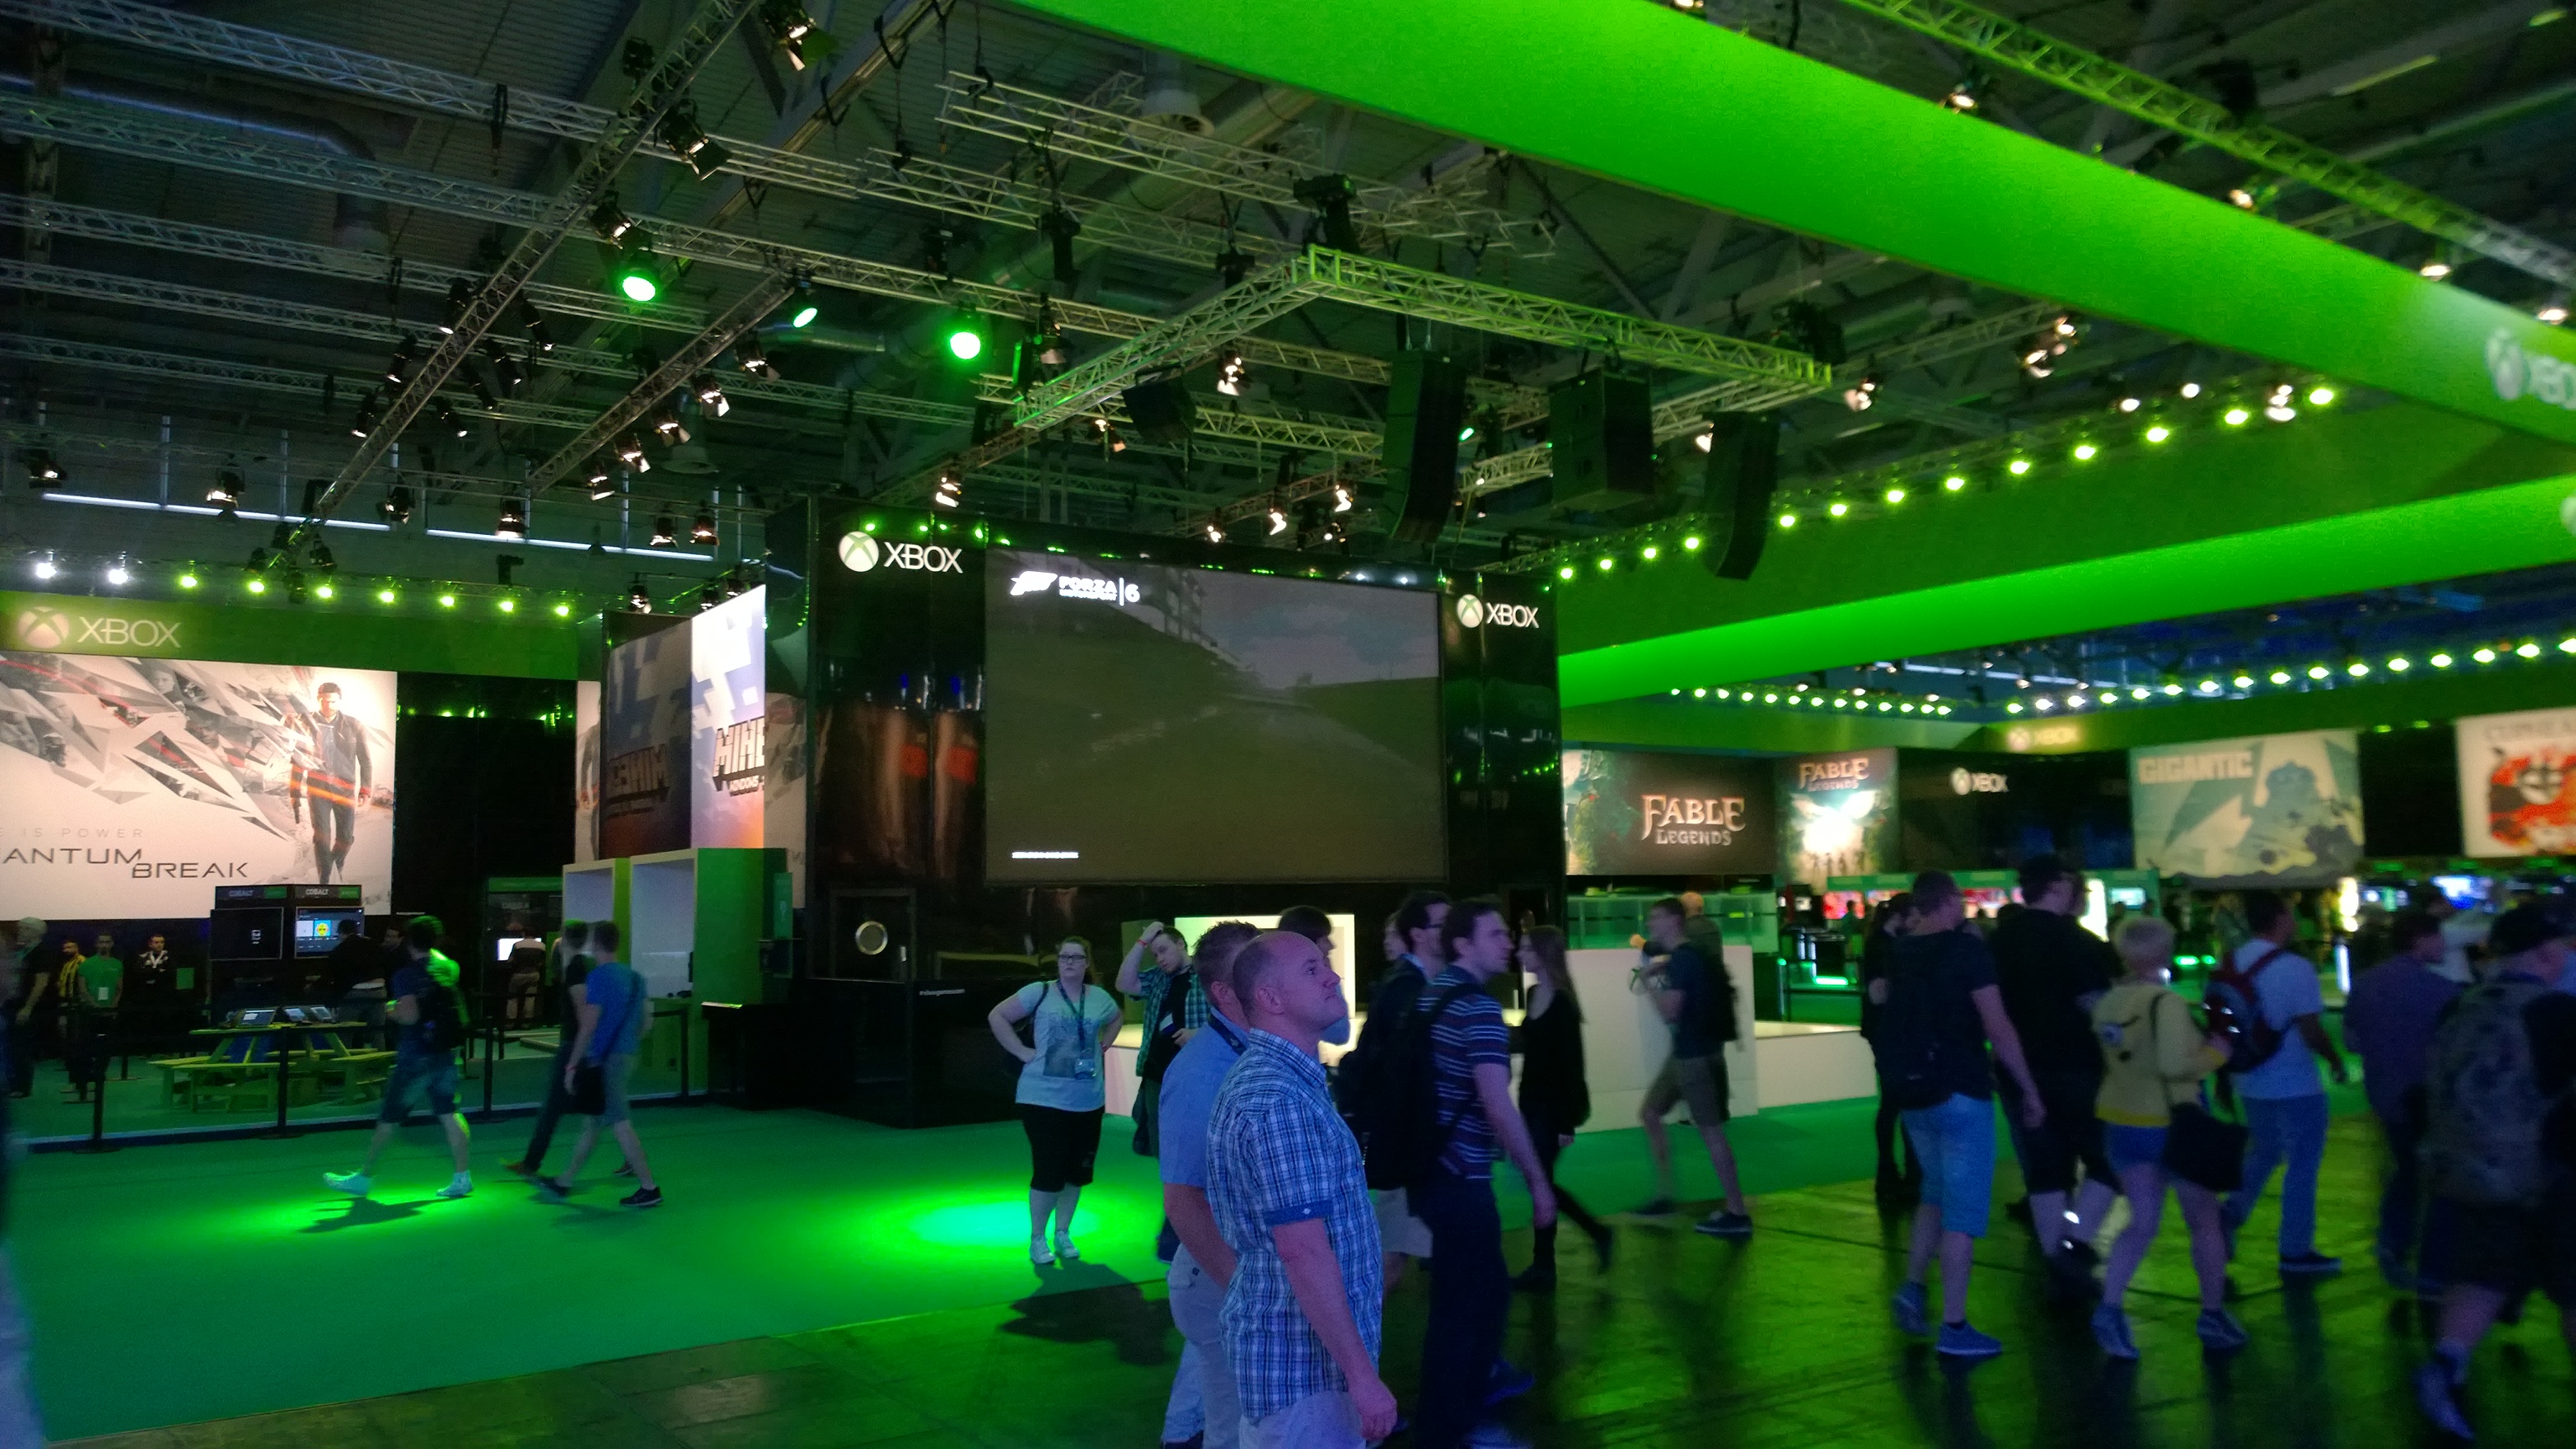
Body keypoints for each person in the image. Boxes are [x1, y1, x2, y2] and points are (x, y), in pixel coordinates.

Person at [1207, 930, 1394, 1449]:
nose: (1332, 977)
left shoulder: (1284, 1083)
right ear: (1270, 998)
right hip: (1306, 1377)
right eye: (1312, 969)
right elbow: (1303, 1251)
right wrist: (1362, 1377)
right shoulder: (1279, 1099)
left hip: (1301, 1369)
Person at [2410, 902, 2576, 1440]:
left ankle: (2445, 1365)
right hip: (2551, 1176)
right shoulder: (2555, 1012)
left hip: (2472, 1172)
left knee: (2481, 1276)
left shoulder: (2458, 1007)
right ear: (2546, 952)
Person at [1876, 870, 2046, 1359]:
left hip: (1913, 1090)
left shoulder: (1900, 950)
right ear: (1950, 901)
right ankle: (1954, 1324)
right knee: (1963, 1211)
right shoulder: (1967, 951)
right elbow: (1997, 1025)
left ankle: (1913, 1285)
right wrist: (2028, 1088)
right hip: (1961, 1088)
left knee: (1933, 1191)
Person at [1411, 898, 1555, 1449]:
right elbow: (1497, 1103)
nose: (1508, 942)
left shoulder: (1432, 995)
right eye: (1495, 934)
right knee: (1477, 1305)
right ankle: (1456, 1427)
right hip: (1462, 1175)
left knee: (1463, 1302)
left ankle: (1447, 1424)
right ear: (1463, 944)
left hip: (1430, 1170)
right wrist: (1538, 1181)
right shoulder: (1476, 1008)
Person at [2085, 916, 2248, 1358]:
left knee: (2142, 1223)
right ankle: (2212, 1314)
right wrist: (2217, 1052)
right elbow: (2176, 1065)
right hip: (2172, 1125)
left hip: (2121, 1121)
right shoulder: (2167, 1003)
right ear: (2163, 952)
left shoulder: (2107, 1003)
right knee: (2205, 1222)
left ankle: (2110, 1307)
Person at [1984, 854, 2120, 1285]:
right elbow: (2096, 1008)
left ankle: (2053, 1258)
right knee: (2107, 1159)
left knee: (2045, 1170)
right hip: (2077, 1067)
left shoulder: (1999, 940)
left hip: (2017, 1069)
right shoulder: (2076, 941)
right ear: (2059, 886)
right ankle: (2074, 1244)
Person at [1156, 921, 1260, 1449]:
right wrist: (1246, 1289)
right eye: (1253, 964)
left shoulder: (1249, 1054)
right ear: (1223, 990)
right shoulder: (1201, 1072)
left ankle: (1178, 1434)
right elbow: (1183, 1199)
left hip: (1233, 1272)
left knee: (1231, 1413)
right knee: (1235, 1424)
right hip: (1224, 1274)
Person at [2218, 890, 2350, 1276]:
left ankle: (2229, 1216)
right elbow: (2311, 1029)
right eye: (2291, 914)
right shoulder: (2295, 967)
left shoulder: (2232, 961)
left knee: (2264, 1151)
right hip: (2295, 1081)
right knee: (2302, 1164)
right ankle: (2295, 1249)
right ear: (2279, 919)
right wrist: (2334, 1059)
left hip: (2248, 1076)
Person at [2342, 910, 2463, 1293]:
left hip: (2385, 1095)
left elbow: (2351, 1041)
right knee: (2440, 1180)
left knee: (2407, 1168)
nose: (2444, 945)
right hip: (2429, 1099)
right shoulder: (2442, 991)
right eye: (2438, 937)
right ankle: (2433, 1265)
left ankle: (2393, 1240)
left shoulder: (2365, 985)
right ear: (2420, 940)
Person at [987, 936, 1119, 1263]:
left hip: (1087, 1100)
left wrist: (1104, 1044)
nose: (1069, 963)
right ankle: (1037, 1238)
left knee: (1077, 1173)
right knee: (1049, 1170)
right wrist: (1021, 1051)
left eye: (1076, 957)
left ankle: (1063, 1232)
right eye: (1064, 957)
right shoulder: (1039, 992)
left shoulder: (1099, 998)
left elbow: (1117, 1017)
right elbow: (997, 1016)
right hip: (1042, 1099)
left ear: (1087, 963)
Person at [325, 917, 473, 1201]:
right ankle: (462, 1176)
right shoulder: (447, 968)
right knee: (449, 1112)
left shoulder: (406, 975)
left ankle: (364, 1177)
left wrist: (391, 1009)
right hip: (444, 1052)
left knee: (389, 1117)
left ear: (408, 941)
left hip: (415, 1055)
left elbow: (410, 1015)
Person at [1346, 891, 1446, 1287]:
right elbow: (1402, 1078)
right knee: (1393, 1257)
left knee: (1401, 1253)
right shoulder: (1409, 990)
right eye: (1443, 925)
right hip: (1409, 1148)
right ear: (1419, 934)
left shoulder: (1411, 985)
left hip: (1411, 1148)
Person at [1633, 896, 1750, 1235]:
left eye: (1656, 917)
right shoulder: (1688, 956)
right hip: (1690, 1053)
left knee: (1711, 1132)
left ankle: (1737, 1211)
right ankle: (1666, 1194)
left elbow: (1670, 1012)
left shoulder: (1684, 960)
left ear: (1674, 920)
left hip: (1693, 1056)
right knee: (1651, 1112)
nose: (1651, 924)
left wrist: (1648, 982)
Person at [1511, 925, 1613, 1291]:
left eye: (1527, 948)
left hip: (1550, 1108)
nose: (1520, 954)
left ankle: (1549, 1261)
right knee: (1540, 1181)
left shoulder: (1562, 1003)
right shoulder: (1537, 994)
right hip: (1532, 1102)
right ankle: (1582, 1241)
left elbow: (1571, 1065)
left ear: (1543, 954)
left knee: (1540, 1182)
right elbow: (1532, 1043)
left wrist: (1566, 1122)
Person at [537, 921, 661, 1209]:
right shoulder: (635, 978)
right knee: (592, 1123)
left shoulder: (598, 977)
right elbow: (646, 1021)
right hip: (626, 1056)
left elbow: (588, 1026)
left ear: (595, 945)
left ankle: (649, 1187)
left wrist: (571, 1066)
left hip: (605, 1061)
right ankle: (565, 1180)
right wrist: (628, 1042)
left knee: (619, 1122)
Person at [502, 922, 591, 1185]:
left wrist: (574, 1060)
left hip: (574, 1046)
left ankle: (531, 1163)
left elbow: (582, 1015)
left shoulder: (575, 969)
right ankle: (631, 1160)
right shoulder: (580, 966)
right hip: (580, 1046)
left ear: (564, 938)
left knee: (553, 1108)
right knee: (604, 1109)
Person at [1119, 919, 1200, 1158]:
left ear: (1181, 944)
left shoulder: (1205, 976)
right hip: (1157, 1074)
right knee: (1160, 1147)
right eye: (1155, 955)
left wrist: (1200, 1033)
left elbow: (1231, 1018)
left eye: (1163, 950)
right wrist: (1141, 942)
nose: (1160, 959)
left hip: (1193, 1075)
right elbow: (1123, 984)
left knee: (1195, 1143)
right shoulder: (1158, 977)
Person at [1860, 892, 1921, 1205]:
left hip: (1886, 1032)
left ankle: (1893, 1172)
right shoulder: (1884, 948)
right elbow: (1878, 995)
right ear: (1901, 917)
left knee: (1893, 1101)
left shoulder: (1882, 944)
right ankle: (1899, 1172)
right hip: (1889, 1033)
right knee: (1897, 1101)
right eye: (1914, 917)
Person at [291, 681, 375, 886]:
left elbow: (365, 760)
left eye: (333, 701)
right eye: (325, 701)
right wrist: (294, 791)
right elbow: (297, 759)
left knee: (346, 837)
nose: (329, 705)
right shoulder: (305, 722)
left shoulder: (354, 725)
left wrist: (365, 789)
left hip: (344, 789)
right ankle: (325, 881)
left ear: (340, 701)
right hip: (317, 788)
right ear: (319, 699)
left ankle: (333, 868)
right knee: (322, 837)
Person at [3, 921, 40, 1098]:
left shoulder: (40, 952)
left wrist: (27, 1008)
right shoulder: (23, 951)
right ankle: (14, 1083)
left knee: (20, 1047)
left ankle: (22, 1086)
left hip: (22, 1008)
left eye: (24, 929)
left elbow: (40, 983)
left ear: (34, 931)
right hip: (11, 1005)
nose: (20, 932)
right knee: (11, 1046)